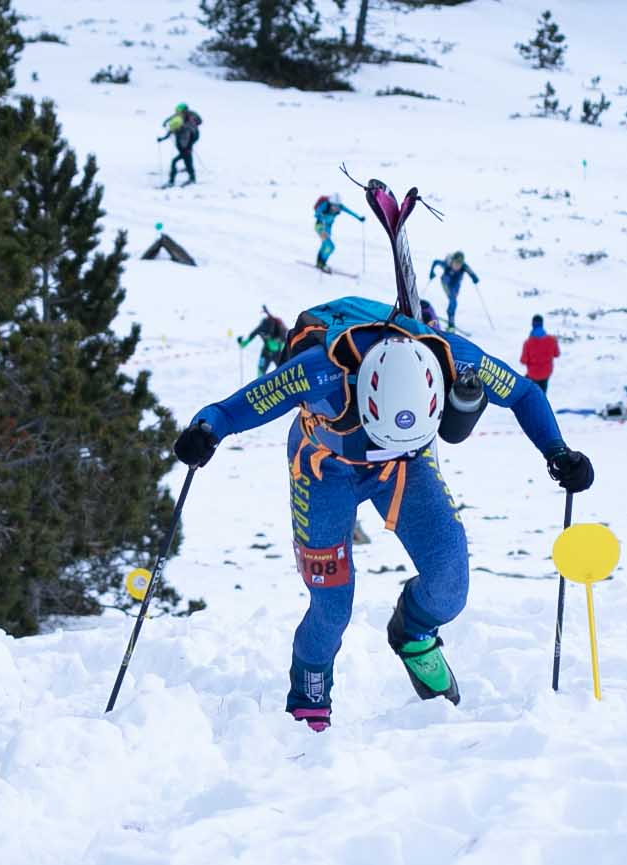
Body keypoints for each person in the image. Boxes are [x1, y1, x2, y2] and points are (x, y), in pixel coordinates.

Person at [171, 294, 595, 731]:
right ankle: (309, 697)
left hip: (406, 466)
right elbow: (232, 410)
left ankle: (413, 632)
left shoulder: (454, 357)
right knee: (332, 605)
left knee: (450, 581)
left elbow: (523, 392)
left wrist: (558, 452)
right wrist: (205, 433)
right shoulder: (319, 371)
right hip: (322, 470)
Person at [426, 251, 481, 330]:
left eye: (459, 264)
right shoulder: (447, 263)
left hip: (455, 284)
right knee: (453, 300)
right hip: (446, 283)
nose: (457, 266)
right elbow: (435, 262)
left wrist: (474, 277)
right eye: (456, 263)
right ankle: (451, 322)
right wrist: (431, 272)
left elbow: (471, 272)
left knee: (453, 301)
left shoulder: (464, 267)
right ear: (452, 261)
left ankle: (450, 314)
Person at [312, 194, 363, 272]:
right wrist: (320, 215)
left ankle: (319, 263)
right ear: (330, 203)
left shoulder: (340, 207)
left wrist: (359, 218)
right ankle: (322, 264)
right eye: (334, 205)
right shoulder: (325, 205)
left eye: (337, 205)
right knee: (330, 247)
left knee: (324, 245)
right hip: (320, 227)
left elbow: (350, 212)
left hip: (328, 228)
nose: (336, 207)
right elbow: (316, 213)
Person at [157, 103, 203, 187]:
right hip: (185, 144)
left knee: (178, 160)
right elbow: (171, 129)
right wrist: (162, 138)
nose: (177, 113)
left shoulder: (186, 126)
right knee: (187, 160)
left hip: (188, 142)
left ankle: (172, 181)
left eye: (179, 111)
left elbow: (186, 140)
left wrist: (187, 149)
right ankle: (192, 177)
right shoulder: (178, 123)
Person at [238, 307, 289, 376]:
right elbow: (251, 336)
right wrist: (242, 343)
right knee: (261, 371)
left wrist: (242, 343)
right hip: (268, 352)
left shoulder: (280, 329)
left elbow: (286, 342)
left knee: (284, 370)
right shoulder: (262, 327)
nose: (266, 336)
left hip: (276, 352)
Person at [521, 314, 560, 390]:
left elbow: (523, 361)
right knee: (542, 392)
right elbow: (557, 354)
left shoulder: (528, 343)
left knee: (528, 390)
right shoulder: (552, 340)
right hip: (546, 372)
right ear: (542, 324)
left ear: (532, 324)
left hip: (533, 374)